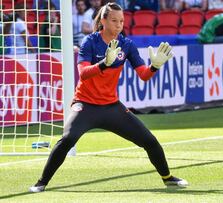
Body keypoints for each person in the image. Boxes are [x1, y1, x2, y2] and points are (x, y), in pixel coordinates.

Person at [29, 2, 188, 193]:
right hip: (85, 105)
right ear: (103, 21)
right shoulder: (90, 41)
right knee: (67, 140)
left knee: (150, 141)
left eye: (121, 21)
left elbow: (144, 75)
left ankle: (167, 178)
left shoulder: (126, 44)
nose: (119, 25)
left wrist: (154, 66)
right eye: (114, 20)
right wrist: (105, 63)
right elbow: (83, 73)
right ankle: (41, 182)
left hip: (111, 106)